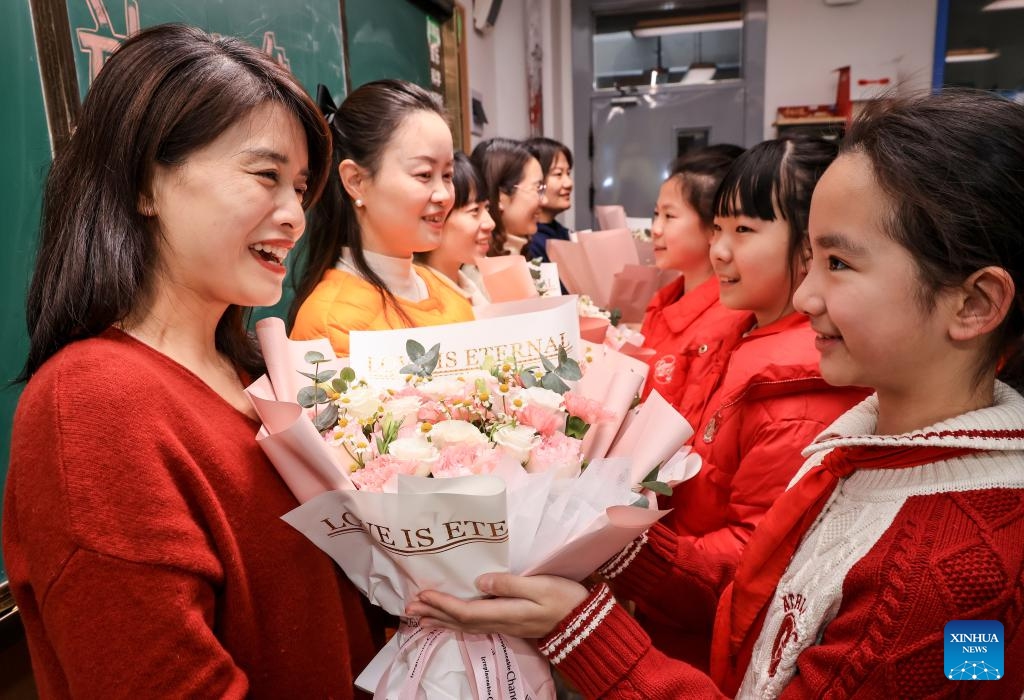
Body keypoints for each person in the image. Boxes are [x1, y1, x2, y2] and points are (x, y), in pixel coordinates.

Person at [407, 90, 1024, 698]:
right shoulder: (867, 443)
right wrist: (603, 535)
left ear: (974, 302)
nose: (806, 296)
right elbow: (764, 601)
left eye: (838, 263)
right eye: (813, 258)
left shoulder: (962, 572)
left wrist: (583, 633)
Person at [3, 24, 375, 698]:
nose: (295, 215)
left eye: (300, 188)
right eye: (266, 176)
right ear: (145, 182)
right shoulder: (91, 405)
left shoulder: (254, 377)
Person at [416, 136, 871, 672]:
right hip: (675, 613)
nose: (720, 250)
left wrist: (617, 546)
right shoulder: (736, 338)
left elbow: (748, 568)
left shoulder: (796, 391)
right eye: (718, 228)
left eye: (744, 230)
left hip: (703, 648)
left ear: (810, 244)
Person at [289, 80, 473, 357]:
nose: (445, 195)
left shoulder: (448, 292)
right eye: (424, 174)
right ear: (356, 181)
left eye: (447, 175)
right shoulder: (331, 324)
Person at [639, 143, 749, 416]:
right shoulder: (666, 299)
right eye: (656, 214)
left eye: (669, 216)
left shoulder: (725, 322)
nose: (655, 229)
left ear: (714, 227)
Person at [415, 151, 495, 307]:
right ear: (437, 216)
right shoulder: (422, 297)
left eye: (486, 208)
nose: (490, 223)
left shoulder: (467, 285)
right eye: (474, 210)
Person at [471, 137, 547, 256]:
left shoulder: (519, 251)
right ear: (500, 197)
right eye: (537, 188)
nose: (545, 200)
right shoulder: (478, 263)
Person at [522, 137, 573, 263]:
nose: (569, 183)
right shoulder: (530, 243)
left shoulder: (562, 233)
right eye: (558, 174)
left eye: (568, 173)